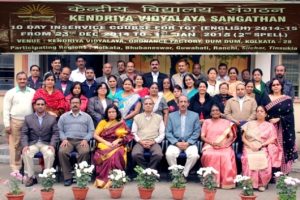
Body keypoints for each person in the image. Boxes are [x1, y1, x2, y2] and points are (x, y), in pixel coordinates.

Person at [241, 106, 282, 191]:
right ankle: (249, 183)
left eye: (262, 111)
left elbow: (273, 139)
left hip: (262, 146)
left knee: (264, 157)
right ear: (255, 113)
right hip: (249, 146)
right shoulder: (249, 123)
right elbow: (243, 138)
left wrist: (262, 145)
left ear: (265, 114)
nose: (259, 113)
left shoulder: (270, 126)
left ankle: (262, 183)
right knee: (248, 158)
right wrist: (250, 145)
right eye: (258, 111)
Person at [21, 98, 59, 187]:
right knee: (26, 152)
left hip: (46, 143)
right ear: (34, 106)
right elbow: (24, 133)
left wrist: (52, 145)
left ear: (45, 106)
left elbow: (55, 133)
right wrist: (25, 145)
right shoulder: (28, 118)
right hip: (33, 143)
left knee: (50, 153)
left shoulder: (52, 119)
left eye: (42, 104)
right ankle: (31, 177)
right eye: (38, 104)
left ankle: (47, 176)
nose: (40, 106)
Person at [93, 104, 133, 188]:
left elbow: (129, 135)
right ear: (107, 113)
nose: (111, 113)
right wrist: (106, 143)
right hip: (104, 143)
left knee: (118, 153)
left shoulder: (121, 122)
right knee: (103, 154)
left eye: (113, 112)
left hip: (118, 144)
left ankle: (116, 178)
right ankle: (104, 179)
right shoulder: (103, 122)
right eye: (109, 112)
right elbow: (95, 135)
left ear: (117, 113)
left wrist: (118, 140)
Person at [3, 72, 35, 173]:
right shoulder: (11, 92)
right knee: (15, 146)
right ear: (17, 80)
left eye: (24, 79)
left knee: (28, 145)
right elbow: (6, 109)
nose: (22, 81)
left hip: (30, 122)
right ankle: (16, 168)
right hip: (15, 121)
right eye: (20, 79)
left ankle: (26, 167)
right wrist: (7, 125)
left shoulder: (32, 92)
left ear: (27, 80)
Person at [58, 97, 95, 186]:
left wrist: (86, 139)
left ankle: (81, 176)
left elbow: (91, 131)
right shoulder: (64, 116)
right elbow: (59, 130)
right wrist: (63, 139)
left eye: (77, 103)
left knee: (85, 152)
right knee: (62, 152)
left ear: (80, 104)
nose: (75, 104)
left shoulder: (87, 117)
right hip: (68, 140)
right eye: (73, 103)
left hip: (82, 140)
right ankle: (68, 177)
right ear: (70, 104)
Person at [201, 105, 237, 189]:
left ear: (220, 112)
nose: (215, 112)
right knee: (209, 154)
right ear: (210, 113)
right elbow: (202, 136)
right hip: (210, 145)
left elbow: (231, 136)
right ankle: (211, 181)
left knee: (226, 156)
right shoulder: (207, 122)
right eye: (213, 110)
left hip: (224, 146)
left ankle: (227, 182)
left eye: (217, 110)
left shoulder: (226, 122)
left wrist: (224, 144)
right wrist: (211, 143)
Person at [265, 78, 297, 174]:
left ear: (281, 86)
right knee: (270, 149)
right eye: (273, 85)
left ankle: (283, 171)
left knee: (282, 148)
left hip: (283, 128)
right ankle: (270, 172)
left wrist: (279, 119)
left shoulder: (287, 99)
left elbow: (290, 115)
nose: (275, 86)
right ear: (271, 87)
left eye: (277, 84)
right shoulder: (266, 97)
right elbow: (261, 111)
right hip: (269, 127)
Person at [165, 95, 200, 178]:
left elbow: (197, 131)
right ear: (177, 104)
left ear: (188, 104)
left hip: (189, 143)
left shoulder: (195, 115)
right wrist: (176, 143)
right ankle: (176, 174)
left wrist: (188, 143)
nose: (183, 104)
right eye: (181, 102)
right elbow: (168, 132)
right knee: (169, 154)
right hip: (176, 143)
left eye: (185, 102)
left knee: (194, 155)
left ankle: (184, 174)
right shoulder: (171, 116)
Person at [131, 98, 165, 169]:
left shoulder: (159, 118)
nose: (148, 105)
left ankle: (151, 170)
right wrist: (140, 141)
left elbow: (162, 133)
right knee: (135, 154)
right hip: (140, 141)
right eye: (146, 104)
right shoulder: (137, 117)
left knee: (158, 154)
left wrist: (154, 141)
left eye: (150, 104)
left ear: (153, 105)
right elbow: (133, 133)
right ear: (143, 106)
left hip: (153, 141)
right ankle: (144, 169)